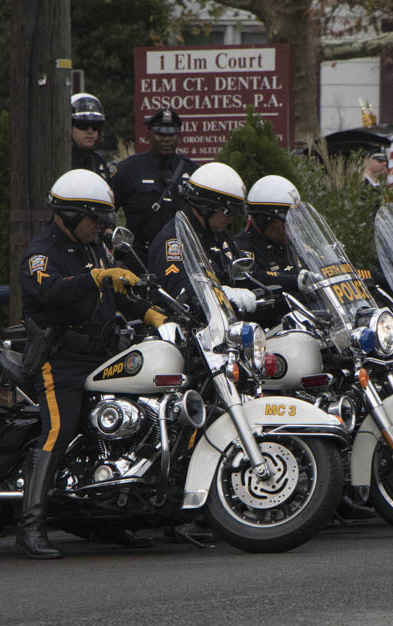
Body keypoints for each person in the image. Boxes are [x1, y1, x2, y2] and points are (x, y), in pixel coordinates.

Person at [18, 169, 167, 559]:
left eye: (103, 221)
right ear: (68, 216)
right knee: (59, 431)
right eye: (93, 219)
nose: (99, 227)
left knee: (119, 429)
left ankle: (110, 521)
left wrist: (153, 314)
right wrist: (98, 277)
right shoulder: (40, 254)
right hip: (60, 361)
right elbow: (51, 292)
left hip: (101, 356)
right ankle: (30, 526)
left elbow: (117, 292)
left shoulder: (93, 247)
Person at [148, 161, 258, 312]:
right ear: (206, 207)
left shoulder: (219, 235)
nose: (231, 218)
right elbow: (180, 289)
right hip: (187, 329)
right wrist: (222, 293)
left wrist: (290, 282)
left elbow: (248, 275)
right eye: (227, 211)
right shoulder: (174, 240)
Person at [111, 107, 199, 267]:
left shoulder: (193, 172)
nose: (166, 139)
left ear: (179, 137)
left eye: (171, 134)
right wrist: (116, 251)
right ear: (148, 136)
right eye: (160, 134)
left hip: (181, 257)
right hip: (139, 257)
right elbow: (105, 213)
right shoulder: (128, 170)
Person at [70, 93, 112, 183]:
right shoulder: (59, 161)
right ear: (69, 127)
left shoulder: (100, 162)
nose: (90, 131)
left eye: (95, 126)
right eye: (83, 125)